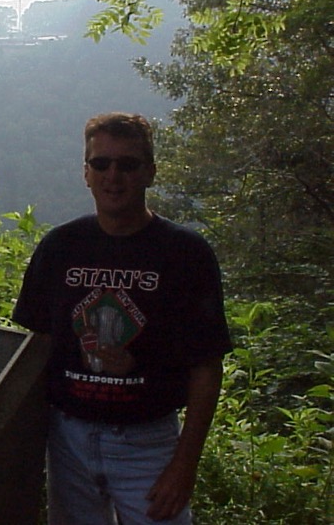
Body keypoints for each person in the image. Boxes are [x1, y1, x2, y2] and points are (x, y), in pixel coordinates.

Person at [13, 112, 232, 524]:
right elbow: (34, 350)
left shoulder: (185, 254)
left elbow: (206, 365)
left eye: (127, 164)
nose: (113, 175)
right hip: (69, 439)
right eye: (101, 163)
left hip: (148, 441)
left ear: (149, 172)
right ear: (86, 173)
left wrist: (184, 466)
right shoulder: (60, 248)